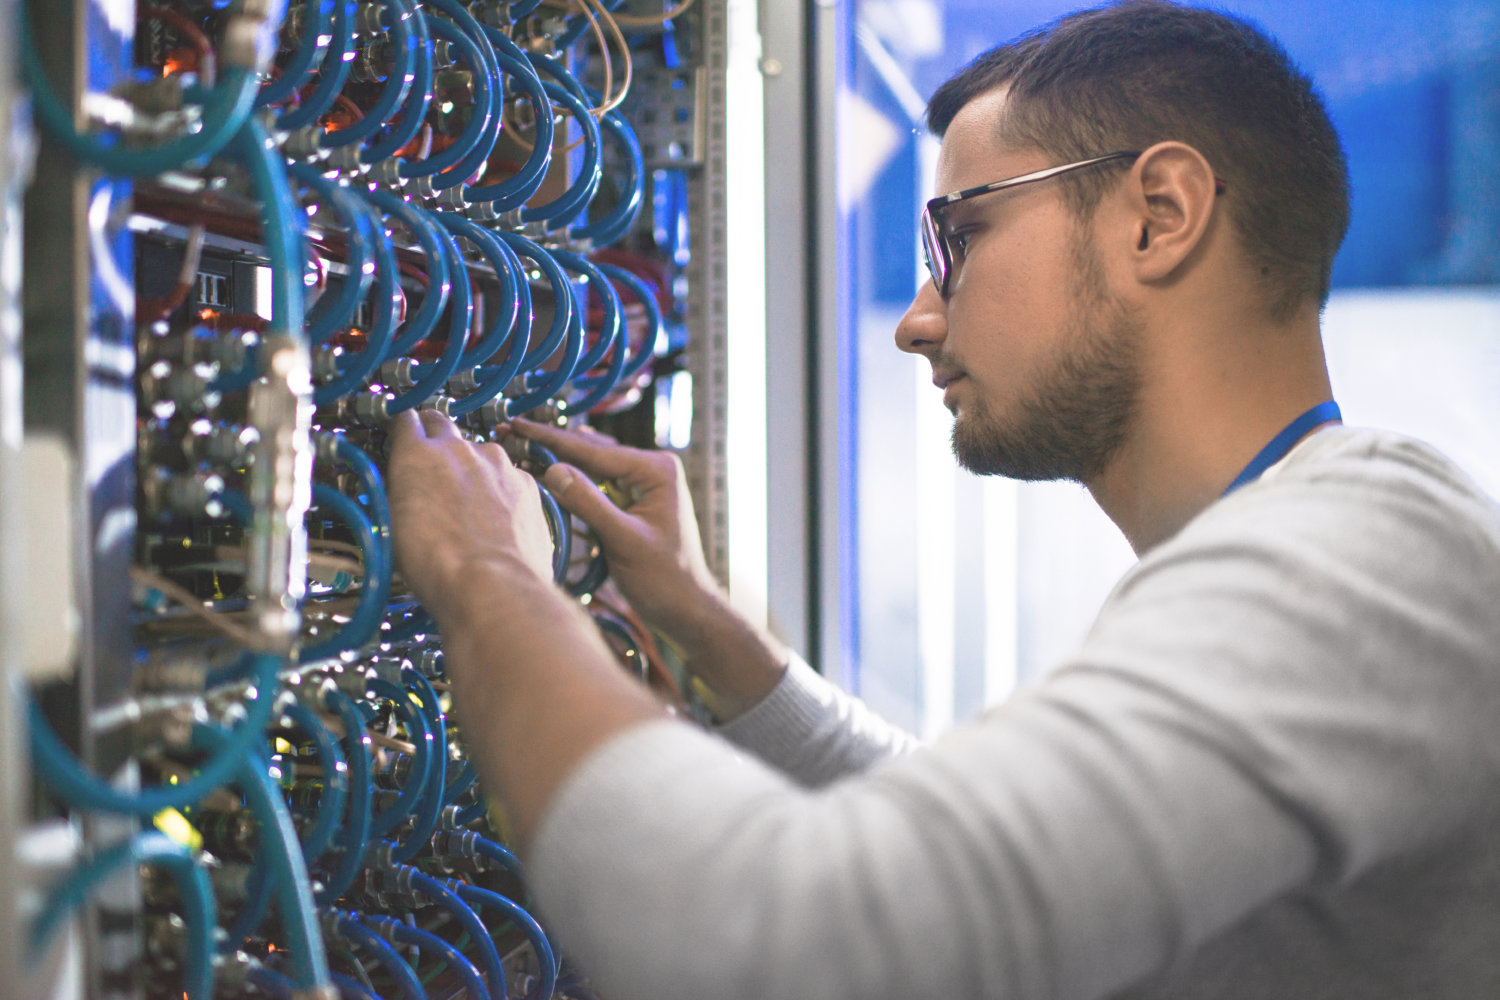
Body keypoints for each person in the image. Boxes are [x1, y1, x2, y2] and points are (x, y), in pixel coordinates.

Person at [384, 2, 1500, 997]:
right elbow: (1006, 871)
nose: (918, 318)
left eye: (960, 237)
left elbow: (796, 935)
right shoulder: (1320, 552)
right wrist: (712, 629)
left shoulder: (1362, 562)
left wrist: (488, 578)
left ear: (1159, 212)